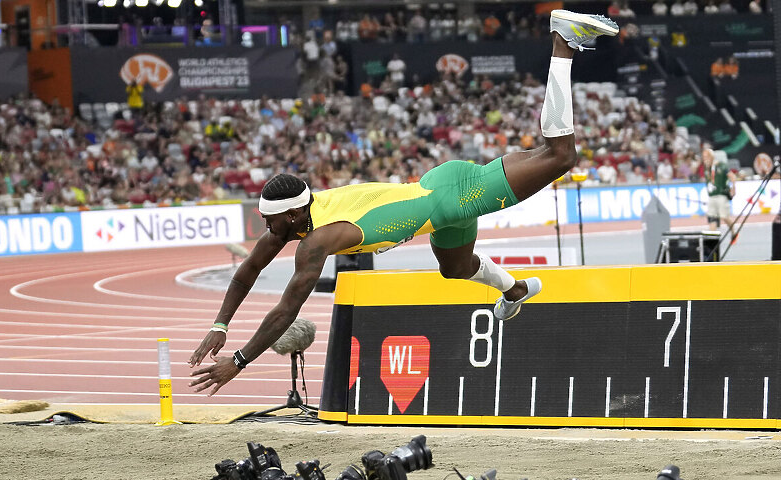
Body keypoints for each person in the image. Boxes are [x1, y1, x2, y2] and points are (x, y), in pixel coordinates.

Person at [189, 9, 620, 395]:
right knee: (454, 268)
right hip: (436, 201)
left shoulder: (315, 241)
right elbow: (247, 271)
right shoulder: (294, 224)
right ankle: (516, 289)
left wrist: (239, 363)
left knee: (561, 156)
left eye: (271, 222)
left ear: (294, 213)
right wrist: (220, 324)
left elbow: (287, 309)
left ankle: (562, 42)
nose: (268, 231)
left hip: (455, 196)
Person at [702, 148, 735, 238]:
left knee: (724, 216)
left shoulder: (721, 165)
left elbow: (732, 176)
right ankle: (712, 239)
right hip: (712, 196)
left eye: (707, 157)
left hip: (721, 195)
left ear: (712, 157)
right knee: (712, 218)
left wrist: (733, 188)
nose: (705, 159)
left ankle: (733, 231)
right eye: (704, 157)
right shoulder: (706, 169)